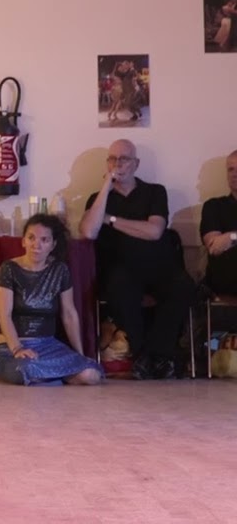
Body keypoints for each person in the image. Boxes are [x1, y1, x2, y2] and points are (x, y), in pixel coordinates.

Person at [80, 139, 196, 380]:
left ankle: (151, 354)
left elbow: (154, 231)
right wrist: (105, 188)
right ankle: (154, 356)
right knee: (119, 287)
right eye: (112, 158)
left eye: (124, 159)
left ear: (136, 164)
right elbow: (88, 232)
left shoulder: (155, 192)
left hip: (158, 266)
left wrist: (111, 220)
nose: (117, 164)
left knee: (183, 285)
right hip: (119, 269)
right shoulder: (97, 199)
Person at [0, 214, 103, 386]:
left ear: (53, 245)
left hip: (48, 346)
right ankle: (56, 377)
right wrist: (18, 349)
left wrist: (79, 354)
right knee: (26, 369)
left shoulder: (60, 270)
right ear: (23, 241)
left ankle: (50, 378)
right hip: (12, 347)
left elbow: (69, 314)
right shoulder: (8, 269)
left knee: (91, 374)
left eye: (44, 240)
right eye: (31, 238)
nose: (36, 245)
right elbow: (4, 315)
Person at [201, 149, 237, 296]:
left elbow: (225, 242)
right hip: (226, 278)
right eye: (231, 169)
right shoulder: (214, 206)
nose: (235, 174)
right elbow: (214, 246)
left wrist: (231, 238)